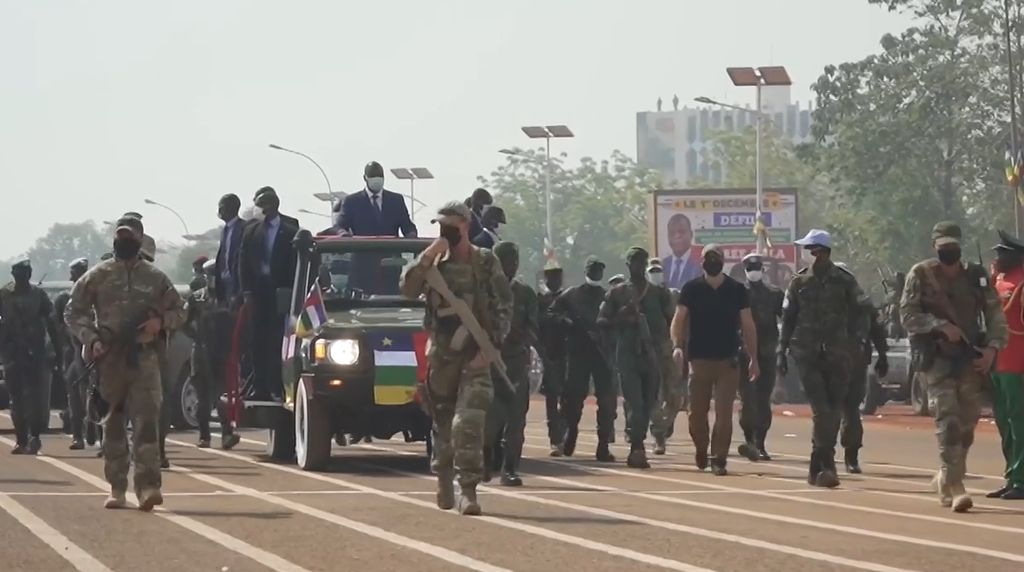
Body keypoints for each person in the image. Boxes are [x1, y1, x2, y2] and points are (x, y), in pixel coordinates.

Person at [65, 216, 186, 510]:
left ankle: (148, 486)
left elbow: (181, 311)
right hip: (109, 361)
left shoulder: (156, 278)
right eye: (120, 236)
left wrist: (161, 323)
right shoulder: (97, 276)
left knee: (147, 423)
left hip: (144, 359)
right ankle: (117, 487)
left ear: (140, 240)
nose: (124, 241)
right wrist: (91, 338)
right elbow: (73, 312)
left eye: (130, 237)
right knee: (114, 425)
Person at [400, 201, 512, 516]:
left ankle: (468, 489)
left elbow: (505, 305)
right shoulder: (432, 263)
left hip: (476, 354)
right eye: (440, 225)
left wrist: (491, 347)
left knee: (470, 421)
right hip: (442, 356)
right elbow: (408, 289)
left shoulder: (485, 262)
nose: (445, 230)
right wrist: (427, 257)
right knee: (444, 425)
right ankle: (444, 476)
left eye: (450, 225)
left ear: (465, 225)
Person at [901, 222, 1007, 512]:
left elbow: (995, 314)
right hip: (935, 358)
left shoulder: (976, 275)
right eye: (943, 246)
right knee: (947, 420)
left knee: (967, 425)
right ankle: (955, 485)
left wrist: (992, 349)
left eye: (953, 246)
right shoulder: (920, 274)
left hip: (969, 357)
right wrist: (939, 325)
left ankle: (945, 475)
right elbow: (908, 316)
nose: (949, 252)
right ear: (935, 246)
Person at [778, 229, 862, 489]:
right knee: (821, 409)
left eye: (809, 250)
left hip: (838, 354)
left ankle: (820, 464)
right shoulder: (798, 283)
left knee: (834, 409)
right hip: (807, 354)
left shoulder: (846, 281)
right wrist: (781, 351)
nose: (806, 256)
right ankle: (825, 462)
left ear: (820, 252)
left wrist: (856, 342)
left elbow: (861, 311)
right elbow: (788, 318)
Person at [670, 245, 758, 475]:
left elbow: (748, 325)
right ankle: (701, 447)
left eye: (716, 258)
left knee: (724, 413)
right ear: (702, 262)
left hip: (728, 360)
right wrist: (677, 346)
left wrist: (754, 358)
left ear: (723, 261)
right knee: (696, 413)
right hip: (699, 360)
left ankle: (719, 457)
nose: (712, 262)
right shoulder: (691, 289)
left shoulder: (737, 290)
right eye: (708, 258)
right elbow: (678, 319)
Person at [598, 247, 674, 469]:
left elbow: (671, 321)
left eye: (641, 261)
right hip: (627, 354)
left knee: (650, 402)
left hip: (651, 354)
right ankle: (637, 447)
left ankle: (639, 442)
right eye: (633, 262)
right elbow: (601, 321)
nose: (638, 266)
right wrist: (620, 319)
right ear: (628, 265)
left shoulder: (658, 294)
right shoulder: (617, 293)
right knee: (636, 403)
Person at [550, 257, 617, 462]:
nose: (595, 273)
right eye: (592, 269)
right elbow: (552, 312)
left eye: (598, 270)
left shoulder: (607, 296)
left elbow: (616, 320)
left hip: (601, 353)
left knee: (606, 401)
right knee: (573, 398)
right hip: (578, 352)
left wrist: (605, 328)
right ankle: (571, 431)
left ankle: (603, 444)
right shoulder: (572, 294)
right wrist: (567, 322)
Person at [485, 241, 538, 486]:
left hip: (517, 363)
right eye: (508, 261)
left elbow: (536, 328)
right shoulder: (484, 291)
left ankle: (510, 469)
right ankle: (486, 461)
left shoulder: (526, 293)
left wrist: (523, 336)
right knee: (489, 421)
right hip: (488, 364)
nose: (512, 266)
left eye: (515, 261)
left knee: (516, 421)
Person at [239, 188, 299, 400]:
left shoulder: (291, 229)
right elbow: (243, 264)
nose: (258, 209)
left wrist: (294, 293)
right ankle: (260, 387)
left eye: (261, 205)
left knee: (279, 342)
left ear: (272, 206)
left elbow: (296, 264)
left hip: (281, 294)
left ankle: (278, 387)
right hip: (258, 293)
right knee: (257, 341)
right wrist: (246, 292)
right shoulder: (251, 230)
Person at [0, 259, 62, 455]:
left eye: (25, 273)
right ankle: (21, 439)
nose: (21, 277)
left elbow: (51, 323)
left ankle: (34, 436)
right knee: (16, 398)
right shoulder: (4, 295)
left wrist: (57, 351)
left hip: (36, 353)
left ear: (29, 273)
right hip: (12, 353)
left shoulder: (39, 295)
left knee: (36, 398)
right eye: (18, 273)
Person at [835, 262, 889, 474]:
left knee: (849, 410)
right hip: (829, 362)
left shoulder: (862, 304)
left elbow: (877, 330)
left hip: (854, 361)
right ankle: (826, 456)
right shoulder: (823, 302)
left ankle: (851, 455)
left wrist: (883, 356)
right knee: (829, 411)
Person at [184, 260, 241, 450]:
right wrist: (197, 336)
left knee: (223, 396)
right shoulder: (197, 298)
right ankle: (204, 436)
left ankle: (227, 434)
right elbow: (183, 322)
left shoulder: (230, 299)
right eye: (211, 276)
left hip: (222, 353)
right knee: (203, 396)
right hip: (201, 352)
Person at [737, 253, 784, 461]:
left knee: (763, 399)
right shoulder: (737, 293)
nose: (754, 271)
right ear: (745, 270)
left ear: (762, 270)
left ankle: (760, 442)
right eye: (750, 268)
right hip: (743, 353)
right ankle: (749, 439)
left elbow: (787, 319)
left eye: (757, 267)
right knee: (748, 399)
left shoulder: (774, 294)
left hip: (767, 352)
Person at [990, 229, 1024, 500]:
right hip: (998, 363)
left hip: (1017, 363)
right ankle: (1011, 475)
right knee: (1004, 422)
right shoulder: (998, 281)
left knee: (1019, 422)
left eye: (1002, 253)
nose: (998, 257)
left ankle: (1022, 479)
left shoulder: (1021, 282)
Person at [53, 258, 90, 450]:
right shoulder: (64, 298)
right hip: (73, 351)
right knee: (74, 395)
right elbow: (57, 326)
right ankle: (77, 436)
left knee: (93, 394)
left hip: (92, 351)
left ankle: (93, 432)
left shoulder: (94, 295)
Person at [335, 162, 417, 237]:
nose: (377, 179)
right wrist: (342, 233)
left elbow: (407, 226)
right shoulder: (351, 202)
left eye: (380, 176)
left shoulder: (396, 200)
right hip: (362, 251)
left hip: (390, 251)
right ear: (365, 178)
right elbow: (339, 226)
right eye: (373, 176)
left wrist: (411, 233)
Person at [538, 261, 570, 456]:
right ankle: (555, 439)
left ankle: (564, 430)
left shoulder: (568, 299)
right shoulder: (539, 300)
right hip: (547, 354)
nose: (554, 281)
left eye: (557, 278)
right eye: (550, 278)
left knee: (568, 398)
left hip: (567, 353)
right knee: (551, 399)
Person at [215, 193, 245, 307]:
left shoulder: (245, 228)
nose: (219, 210)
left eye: (221, 206)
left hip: (238, 285)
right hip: (224, 284)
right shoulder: (224, 230)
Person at [662, 214, 702, 289]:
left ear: (691, 234)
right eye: (672, 233)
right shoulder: (662, 266)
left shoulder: (700, 264)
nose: (677, 236)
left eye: (681, 232)